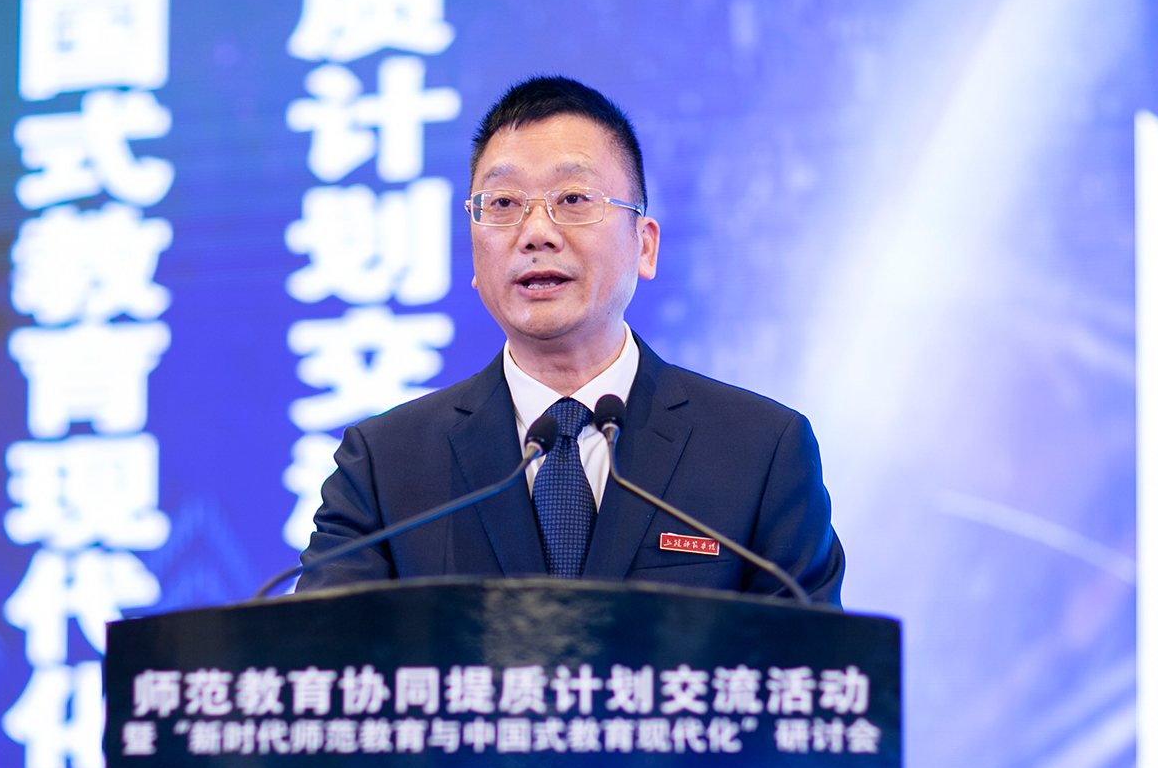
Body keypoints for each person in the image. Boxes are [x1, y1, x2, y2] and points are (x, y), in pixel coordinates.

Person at [296, 75, 845, 604]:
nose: (536, 233)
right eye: (503, 204)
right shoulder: (384, 465)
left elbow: (810, 662)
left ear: (644, 246)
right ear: (473, 252)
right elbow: (317, 657)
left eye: (574, 199)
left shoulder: (760, 451)